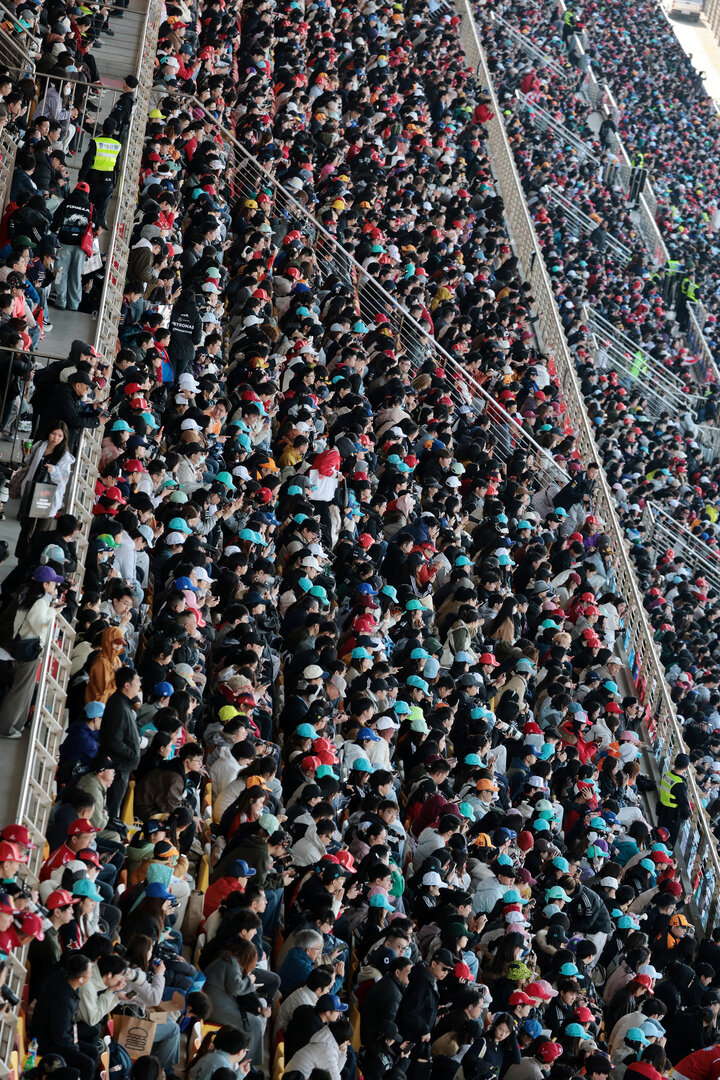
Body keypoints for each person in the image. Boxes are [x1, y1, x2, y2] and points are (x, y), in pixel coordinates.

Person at [0, 564, 64, 738]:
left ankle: (18, 724)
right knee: (21, 691)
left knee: (25, 689)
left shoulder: (29, 594)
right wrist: (53, 611)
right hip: (29, 649)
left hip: (21, 645)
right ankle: (5, 727)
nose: (55, 587)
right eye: (53, 584)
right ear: (45, 584)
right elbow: (38, 625)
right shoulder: (40, 601)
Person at [17, 423, 75, 549]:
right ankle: (22, 557)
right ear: (48, 433)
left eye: (60, 435)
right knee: (26, 527)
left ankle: (33, 560)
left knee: (41, 531)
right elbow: (28, 461)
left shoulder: (64, 456)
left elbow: (64, 478)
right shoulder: (40, 445)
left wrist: (53, 470)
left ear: (64, 438)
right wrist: (25, 450)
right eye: (53, 434)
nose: (56, 438)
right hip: (32, 490)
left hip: (48, 496)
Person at [97, 666, 142, 819]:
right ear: (127, 685)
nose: (139, 685)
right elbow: (113, 740)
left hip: (122, 767)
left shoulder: (123, 703)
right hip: (117, 768)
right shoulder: (118, 706)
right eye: (137, 681)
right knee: (111, 809)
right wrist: (132, 753)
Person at [50, 181, 93, 310]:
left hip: (64, 244)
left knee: (59, 272)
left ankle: (60, 300)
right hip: (81, 248)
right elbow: (95, 224)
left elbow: (56, 220)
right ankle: (74, 304)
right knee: (76, 275)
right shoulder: (90, 207)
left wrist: (54, 230)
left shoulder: (66, 202)